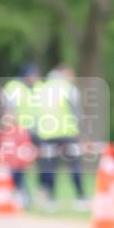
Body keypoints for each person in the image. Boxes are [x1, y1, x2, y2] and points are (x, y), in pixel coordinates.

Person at [36, 65, 87, 211]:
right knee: (75, 166)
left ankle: (51, 200)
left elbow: (37, 112)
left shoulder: (42, 89)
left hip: (47, 134)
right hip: (67, 133)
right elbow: (76, 112)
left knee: (50, 167)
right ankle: (81, 197)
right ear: (64, 74)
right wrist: (82, 133)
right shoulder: (68, 88)